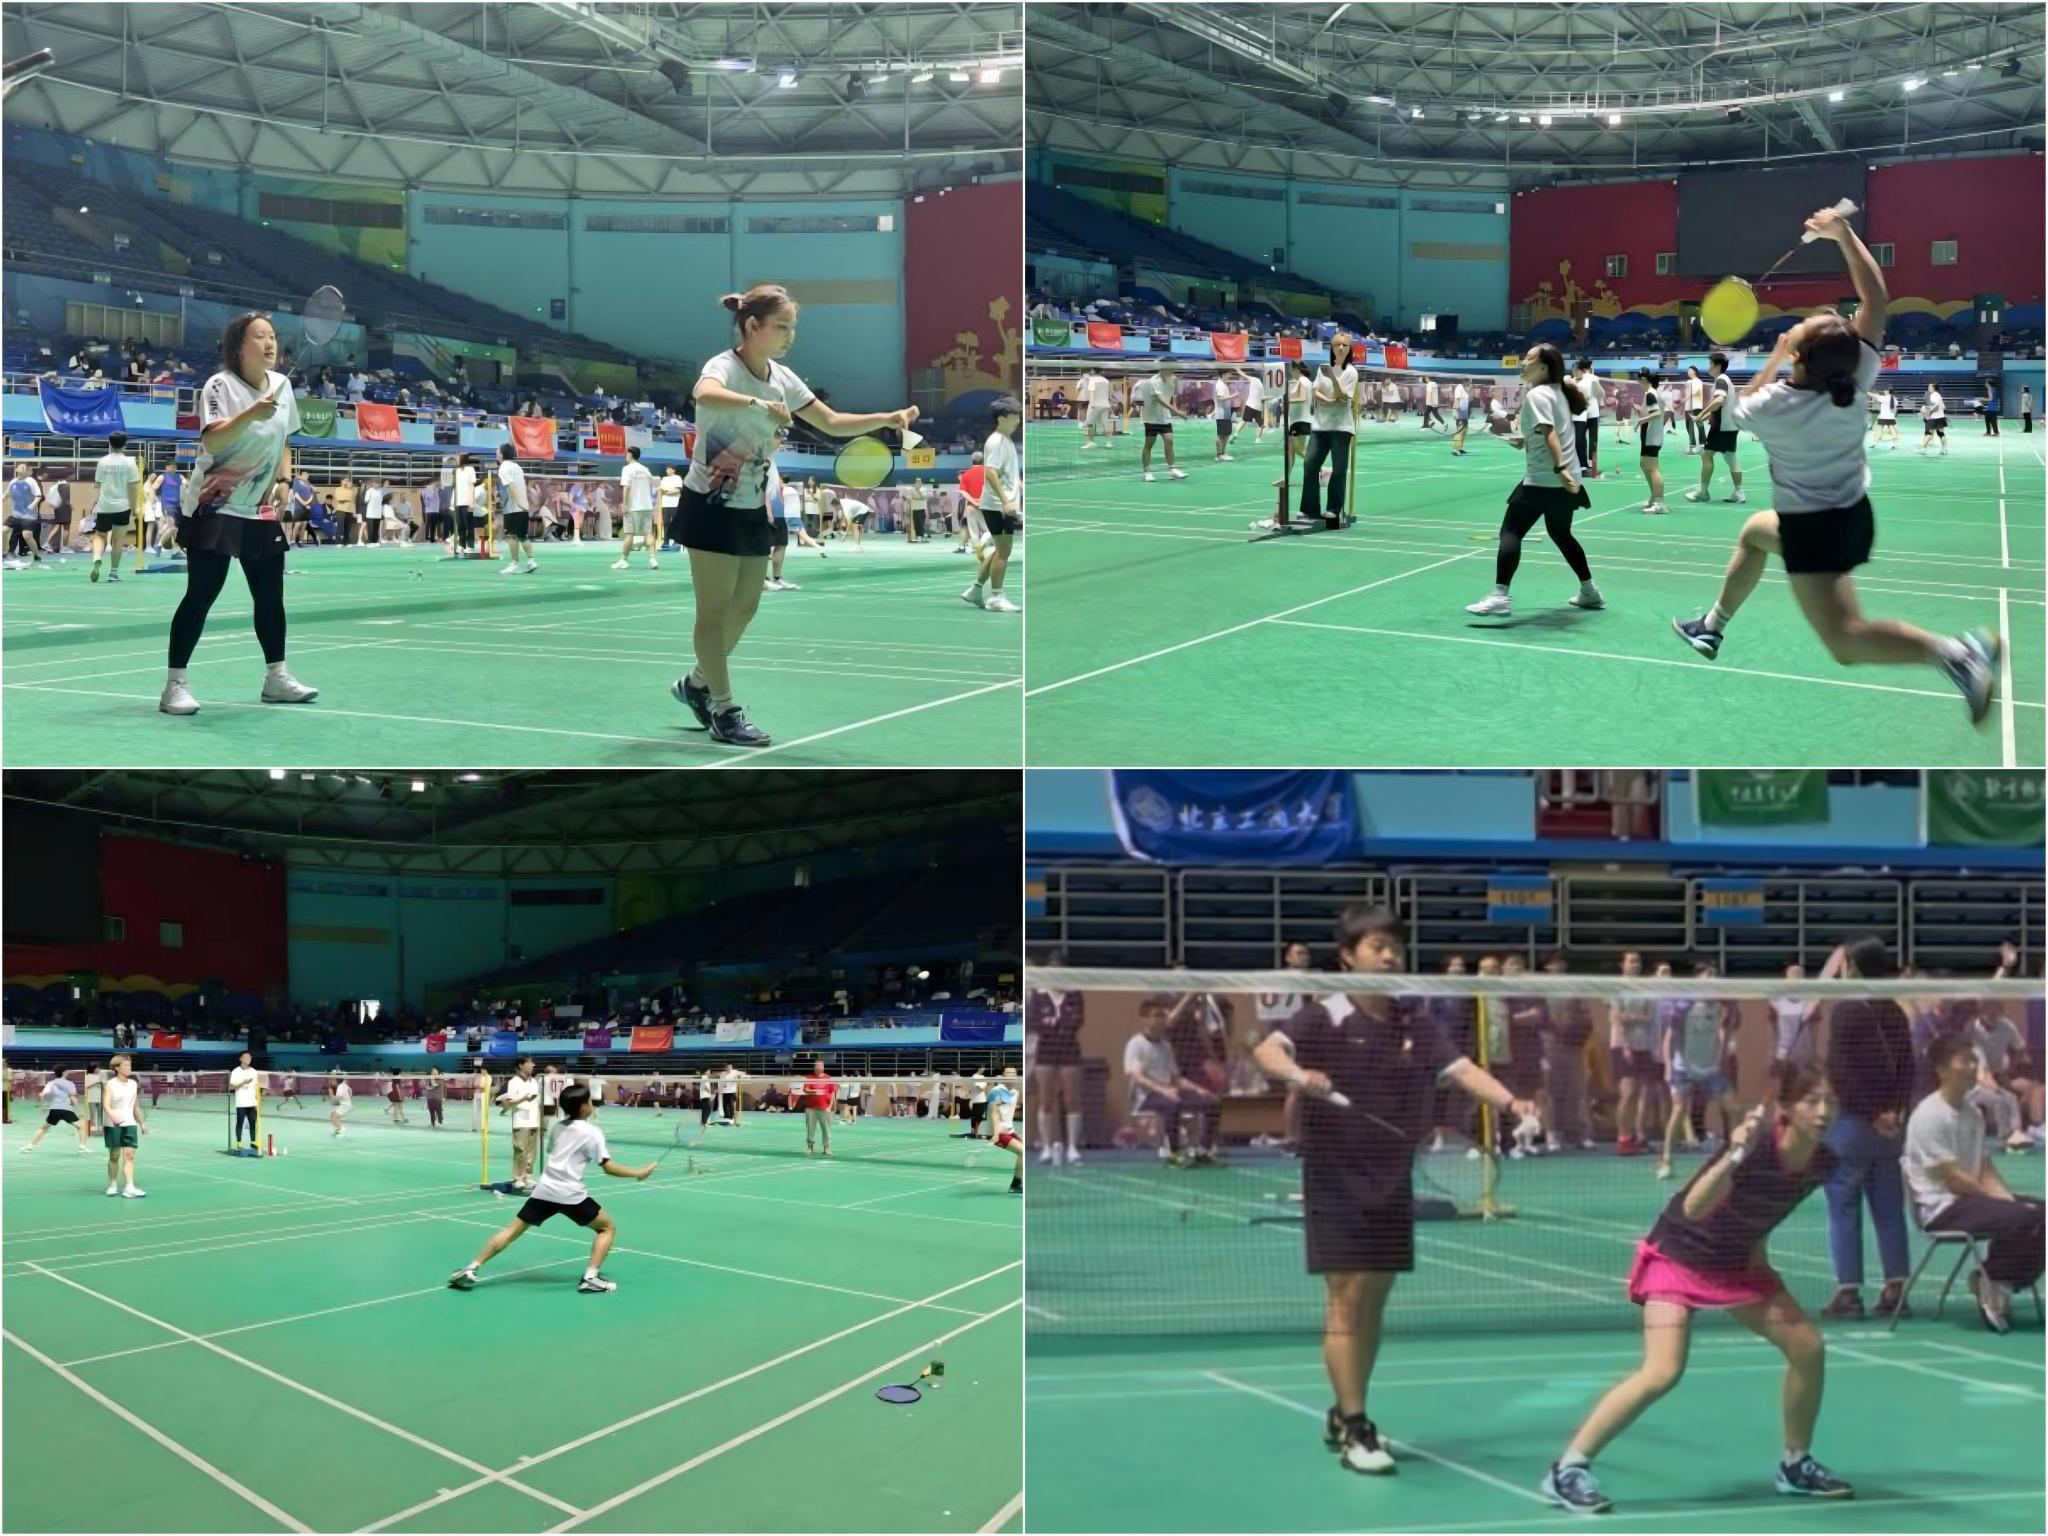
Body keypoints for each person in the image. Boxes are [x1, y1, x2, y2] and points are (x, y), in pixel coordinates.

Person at [1670, 208, 2000, 727]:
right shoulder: (1857, 372)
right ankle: (1711, 624)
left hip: (1813, 531)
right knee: (1754, 532)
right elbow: (1876, 299)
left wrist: (1775, 355)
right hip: (1853, 515)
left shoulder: (1775, 406)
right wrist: (1843, 234)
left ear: (1800, 357)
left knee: (1845, 642)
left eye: (1798, 331)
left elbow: (1746, 401)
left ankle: (1958, 654)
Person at [1250, 907, 1539, 1476]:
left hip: (1390, 1175)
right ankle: (1357, 1425)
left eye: (1395, 947)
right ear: (1348, 957)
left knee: (1374, 1300)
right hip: (1335, 1172)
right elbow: (1266, 1050)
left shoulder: (1414, 1022)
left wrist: (1512, 1102)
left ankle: (1343, 1409)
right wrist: (1299, 1075)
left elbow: (1462, 1070)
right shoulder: (1325, 1014)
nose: (1389, 956)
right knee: (1346, 1297)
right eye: (1377, 945)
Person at [1540, 1064, 1852, 1513]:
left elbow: (1768, 1209)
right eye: (1812, 1101)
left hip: (1736, 1264)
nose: (1823, 1112)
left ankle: (1795, 1464)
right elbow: (1694, 1205)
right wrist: (1734, 1154)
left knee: (1808, 1347)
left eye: (1831, 1102)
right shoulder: (1756, 1146)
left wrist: (1759, 1261)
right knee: (1663, 1371)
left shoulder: (1823, 1162)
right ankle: (1567, 1469)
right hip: (1679, 1257)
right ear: (1785, 1107)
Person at [668, 285, 918, 749]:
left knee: (745, 607)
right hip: (711, 503)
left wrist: (887, 417)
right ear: (752, 326)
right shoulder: (725, 367)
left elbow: (831, 422)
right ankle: (723, 709)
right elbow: (704, 394)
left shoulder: (783, 377)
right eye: (781, 327)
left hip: (751, 504)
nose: (790, 336)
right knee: (714, 612)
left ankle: (697, 683)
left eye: (792, 328)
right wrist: (756, 404)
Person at [161, 312, 317, 716]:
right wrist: (252, 413)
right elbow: (213, 441)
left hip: (258, 506)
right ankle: (174, 685)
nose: (270, 343)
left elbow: (285, 440)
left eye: (273, 336)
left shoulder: (282, 385)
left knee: (270, 596)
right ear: (239, 346)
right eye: (260, 336)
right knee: (202, 594)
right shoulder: (220, 385)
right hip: (215, 503)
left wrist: (284, 480)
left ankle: (276, 678)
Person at [447, 1082, 654, 1294]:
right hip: (570, 1194)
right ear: (584, 1107)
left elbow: (553, 1150)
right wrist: (638, 1173)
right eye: (589, 1101)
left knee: (511, 1231)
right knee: (607, 1227)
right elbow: (608, 1167)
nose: (592, 1104)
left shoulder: (557, 1127)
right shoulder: (592, 1133)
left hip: (545, 1190)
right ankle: (591, 1278)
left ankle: (471, 1268)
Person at [1903, 1030, 2046, 1334]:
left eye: (1973, 1060)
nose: (1972, 1067)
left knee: (2039, 1213)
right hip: (1942, 1208)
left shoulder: (1973, 1114)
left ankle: (1998, 1281)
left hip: (1970, 1201)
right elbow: (1953, 1179)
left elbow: (1985, 1170)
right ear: (1942, 1070)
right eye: (1964, 1060)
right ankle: (1994, 1280)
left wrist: (2008, 1201)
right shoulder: (1929, 1115)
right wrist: (2009, 1210)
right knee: (2021, 1217)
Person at [1465, 342, 1602, 617]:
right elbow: (1551, 431)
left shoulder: (1538, 394)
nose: (1523, 362)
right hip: (1566, 477)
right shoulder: (1557, 391)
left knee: (1511, 532)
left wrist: (1560, 468)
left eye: (1528, 358)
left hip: (1546, 477)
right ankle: (1590, 591)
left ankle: (1500, 596)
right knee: (1561, 533)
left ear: (1543, 367)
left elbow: (1550, 433)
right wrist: (1526, 439)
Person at [1817, 938, 1914, 1320]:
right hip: (1890, 1128)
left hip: (1855, 1125)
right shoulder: (1895, 1011)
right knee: (1889, 1209)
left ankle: (1848, 1292)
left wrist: (1873, 1113)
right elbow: (1908, 1067)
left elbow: (1841, 1072)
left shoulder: (1845, 1011)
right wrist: (1897, 1111)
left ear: (1854, 968)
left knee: (1843, 1206)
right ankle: (1896, 1289)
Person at [1656, 962, 1740, 1179]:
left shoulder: (1724, 1004)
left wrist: (1722, 1055)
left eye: (1715, 974)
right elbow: (1670, 1037)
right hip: (1684, 1067)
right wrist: (1668, 1065)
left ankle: (1735, 1155)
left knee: (1733, 1107)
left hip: (1710, 1067)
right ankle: (1666, 1159)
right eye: (1707, 974)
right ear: (1697, 979)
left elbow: (1726, 1030)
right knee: (1678, 1111)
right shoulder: (1683, 1006)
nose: (1712, 978)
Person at [1124, 995, 1221, 1168]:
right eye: (1156, 1015)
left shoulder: (1165, 1046)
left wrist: (1198, 1090)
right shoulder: (1136, 1044)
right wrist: (1164, 1090)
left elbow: (1176, 1078)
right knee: (1172, 1104)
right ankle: (1173, 1153)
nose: (1161, 1019)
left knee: (1212, 1102)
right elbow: (1137, 1077)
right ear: (1144, 1019)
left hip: (1170, 1093)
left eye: (1162, 1015)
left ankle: (1203, 1151)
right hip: (1147, 1097)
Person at [961, 397, 1022, 613]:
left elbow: (1005, 473)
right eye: (1014, 416)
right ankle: (996, 597)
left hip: (1002, 503)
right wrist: (1006, 501)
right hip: (998, 505)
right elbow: (990, 473)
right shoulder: (996, 442)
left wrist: (1018, 487)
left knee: (999, 550)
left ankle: (975, 589)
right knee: (1004, 552)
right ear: (1002, 418)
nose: (1018, 420)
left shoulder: (1006, 441)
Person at [1028, 953, 1086, 1166]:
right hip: (1046, 1051)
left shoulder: (1075, 994)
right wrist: (1057, 1023)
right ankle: (1046, 1148)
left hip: (1069, 1050)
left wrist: (1055, 1023)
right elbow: (1036, 1022)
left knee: (1072, 1100)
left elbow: (1077, 1021)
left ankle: (1072, 1148)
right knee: (1046, 1100)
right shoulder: (1039, 994)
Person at [1297, 336, 1358, 524]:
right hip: (1320, 426)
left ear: (1349, 348)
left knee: (1339, 469)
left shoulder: (1351, 372)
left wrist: (1332, 377)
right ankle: (1309, 509)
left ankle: (1333, 509)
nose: (1341, 348)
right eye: (1337, 345)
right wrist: (1331, 400)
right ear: (1332, 347)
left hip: (1341, 427)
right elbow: (1315, 391)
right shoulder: (1322, 368)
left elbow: (1343, 396)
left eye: (1345, 345)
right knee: (1309, 464)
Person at [90, 430, 141, 583]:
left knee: (100, 535)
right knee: (118, 540)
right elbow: (133, 487)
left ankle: (97, 557)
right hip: (122, 507)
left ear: (110, 443)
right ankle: (113, 573)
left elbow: (97, 485)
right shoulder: (130, 462)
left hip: (104, 506)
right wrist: (134, 508)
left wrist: (94, 504)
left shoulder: (102, 461)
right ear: (124, 445)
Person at [99, 1054, 150, 1198]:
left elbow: (135, 1106)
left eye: (130, 1065)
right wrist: (113, 1116)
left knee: (130, 1156)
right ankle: (112, 1185)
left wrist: (142, 1122)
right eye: (126, 1065)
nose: (129, 1068)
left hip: (130, 1123)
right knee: (114, 1156)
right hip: (113, 1124)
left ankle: (129, 1187)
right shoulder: (109, 1085)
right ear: (117, 1067)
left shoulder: (133, 1084)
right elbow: (106, 1105)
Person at [1133, 362, 1189, 483]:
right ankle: (1146, 472)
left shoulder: (1172, 380)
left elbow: (1171, 397)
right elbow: (1159, 399)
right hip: (1151, 417)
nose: (1173, 371)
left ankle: (1173, 469)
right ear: (1163, 368)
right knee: (1149, 444)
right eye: (1171, 368)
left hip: (1164, 417)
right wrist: (1177, 412)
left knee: (1169, 440)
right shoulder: (1153, 381)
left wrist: (1177, 384)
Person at [497, 1056, 542, 1191]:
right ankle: (518, 1178)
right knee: (520, 1150)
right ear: (521, 1065)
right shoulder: (513, 1082)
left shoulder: (534, 1082)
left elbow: (537, 1102)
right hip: (521, 1120)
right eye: (530, 1063)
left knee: (532, 1152)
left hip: (534, 1120)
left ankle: (528, 1177)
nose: (533, 1065)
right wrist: (524, 1098)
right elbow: (509, 1103)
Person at [495, 444, 538, 576]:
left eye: (497, 451)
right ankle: (531, 561)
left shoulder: (504, 467)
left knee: (511, 536)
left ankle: (514, 564)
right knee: (523, 536)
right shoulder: (517, 466)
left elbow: (512, 486)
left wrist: (519, 502)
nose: (496, 452)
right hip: (522, 508)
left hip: (513, 508)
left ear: (502, 454)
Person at [20, 1069, 87, 1152]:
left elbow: (42, 1095)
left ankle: (29, 1146)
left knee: (44, 1128)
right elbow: (73, 1097)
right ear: (64, 1073)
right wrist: (77, 1106)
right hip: (66, 1110)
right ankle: (82, 1147)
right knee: (81, 1127)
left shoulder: (51, 1083)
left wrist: (41, 1104)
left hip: (54, 1110)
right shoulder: (70, 1084)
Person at [615, 445, 659, 570]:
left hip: (633, 507)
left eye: (626, 454)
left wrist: (624, 504)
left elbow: (626, 487)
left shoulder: (627, 469)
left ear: (630, 455)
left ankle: (624, 560)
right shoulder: (645, 470)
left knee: (629, 534)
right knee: (648, 533)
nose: (626, 456)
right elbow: (655, 485)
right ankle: (653, 559)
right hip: (647, 507)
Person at [1636, 370, 1668, 513]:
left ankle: (1659, 504)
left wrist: (1642, 420)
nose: (1637, 381)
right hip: (1650, 435)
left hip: (1651, 436)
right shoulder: (1653, 393)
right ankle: (1654, 496)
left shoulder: (1650, 394)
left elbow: (1656, 413)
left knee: (1653, 468)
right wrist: (1641, 413)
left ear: (1644, 379)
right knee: (1644, 464)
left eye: (1639, 379)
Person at [988, 1066, 1024, 1194]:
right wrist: (996, 1134)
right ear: (1003, 1076)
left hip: (1009, 1131)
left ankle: (1018, 1183)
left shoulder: (1015, 1091)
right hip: (998, 1132)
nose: (1011, 1075)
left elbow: (1018, 1105)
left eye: (1014, 1073)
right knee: (1023, 1152)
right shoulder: (996, 1091)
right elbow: (994, 1113)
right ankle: (1015, 1186)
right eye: (1008, 1073)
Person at [6, 461, 45, 568]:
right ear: (16, 469)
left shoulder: (31, 481)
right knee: (6, 531)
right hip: (16, 514)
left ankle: (36, 556)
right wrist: (4, 497)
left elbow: (39, 496)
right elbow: (6, 493)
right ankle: (10, 554)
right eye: (21, 467)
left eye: (25, 468)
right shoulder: (13, 482)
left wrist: (33, 504)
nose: (23, 469)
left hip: (29, 514)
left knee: (27, 535)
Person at [801, 1058, 835, 1157]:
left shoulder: (829, 1078)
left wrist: (830, 1106)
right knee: (810, 1128)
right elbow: (806, 1090)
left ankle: (826, 1147)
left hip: (825, 1108)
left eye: (821, 1065)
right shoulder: (808, 1077)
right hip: (811, 1108)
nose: (820, 1067)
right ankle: (810, 1147)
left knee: (826, 1129)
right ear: (814, 1066)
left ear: (823, 1067)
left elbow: (832, 1093)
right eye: (817, 1065)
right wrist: (815, 1091)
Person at [229, 1051, 262, 1152]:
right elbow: (231, 1087)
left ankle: (253, 1143)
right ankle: (239, 1143)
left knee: (253, 1123)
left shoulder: (254, 1071)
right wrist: (243, 1082)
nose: (249, 1059)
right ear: (241, 1059)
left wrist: (257, 1099)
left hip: (252, 1103)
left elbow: (256, 1086)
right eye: (246, 1057)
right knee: (240, 1123)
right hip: (241, 1103)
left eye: (250, 1057)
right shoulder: (236, 1071)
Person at [655, 461, 683, 550]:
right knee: (666, 522)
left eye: (669, 468)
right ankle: (666, 541)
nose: (667, 470)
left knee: (675, 522)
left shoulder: (678, 478)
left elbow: (677, 490)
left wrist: (667, 491)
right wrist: (668, 491)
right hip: (665, 504)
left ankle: (676, 541)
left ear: (673, 470)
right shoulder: (664, 479)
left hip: (675, 503)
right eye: (666, 469)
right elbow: (661, 490)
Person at [1918, 385, 1948, 456]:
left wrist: (1924, 409)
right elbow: (1943, 407)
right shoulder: (1937, 395)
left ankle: (1924, 449)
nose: (1928, 388)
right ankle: (1944, 449)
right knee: (1940, 434)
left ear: (1933, 388)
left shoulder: (1934, 395)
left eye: (1929, 387)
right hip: (1939, 417)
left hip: (1934, 418)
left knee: (1930, 434)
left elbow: (1933, 407)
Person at [328, 1069, 354, 1137]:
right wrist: (349, 1098)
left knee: (334, 1117)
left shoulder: (340, 1087)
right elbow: (350, 1090)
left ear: (336, 1081)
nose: (332, 1081)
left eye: (333, 1080)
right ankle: (338, 1129)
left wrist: (332, 1096)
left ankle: (341, 1129)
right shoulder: (344, 1084)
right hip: (346, 1104)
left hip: (345, 1106)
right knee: (332, 1115)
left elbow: (338, 1097)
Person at [471, 1062, 492, 1133]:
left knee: (484, 1112)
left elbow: (483, 1086)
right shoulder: (479, 1076)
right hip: (477, 1094)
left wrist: (479, 1086)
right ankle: (474, 1127)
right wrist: (479, 1086)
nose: (481, 1070)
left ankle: (484, 1127)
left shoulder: (488, 1077)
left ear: (486, 1069)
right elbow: (475, 1084)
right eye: (481, 1069)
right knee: (475, 1111)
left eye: (483, 1069)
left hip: (484, 1095)